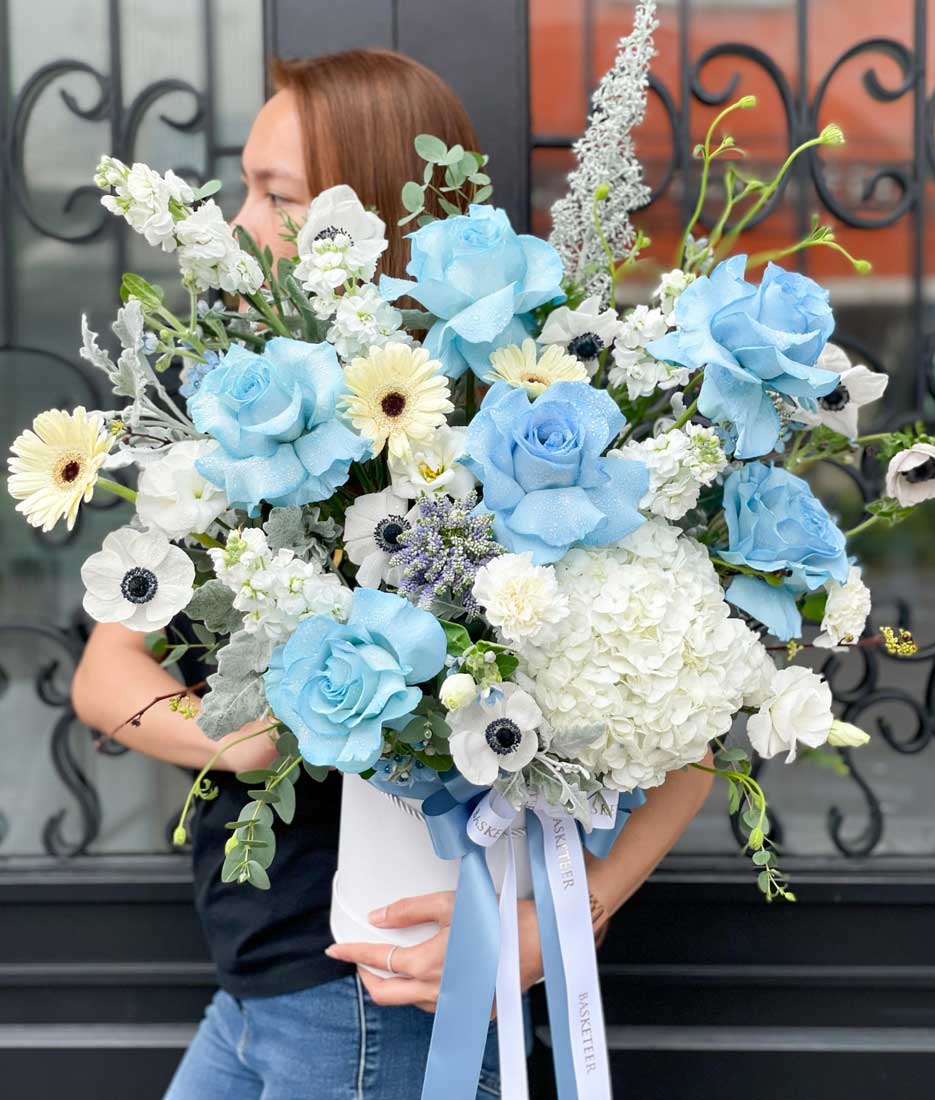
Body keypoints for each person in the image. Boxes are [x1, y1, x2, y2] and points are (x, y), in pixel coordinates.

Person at [71, 48, 715, 1100]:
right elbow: (105, 669)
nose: (239, 226)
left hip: (374, 992)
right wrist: (240, 736)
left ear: (375, 218)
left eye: (274, 196)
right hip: (254, 985)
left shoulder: (496, 437)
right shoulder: (241, 430)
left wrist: (568, 914)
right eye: (244, 186)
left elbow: (694, 715)